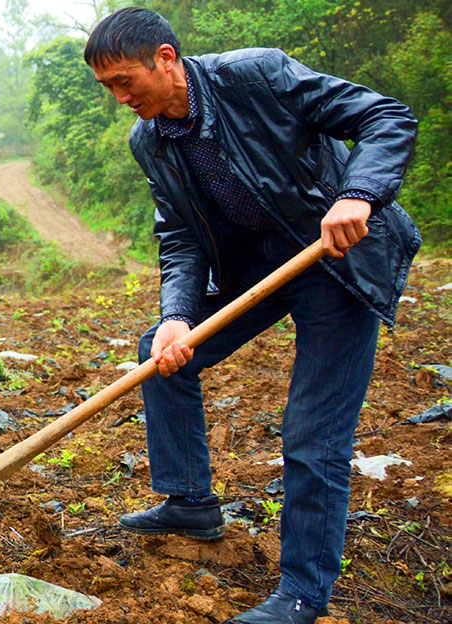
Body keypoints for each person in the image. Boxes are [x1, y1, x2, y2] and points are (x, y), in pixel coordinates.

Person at [85, 8, 420, 624]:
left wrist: (359, 193)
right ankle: (190, 502)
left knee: (312, 433)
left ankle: (302, 592)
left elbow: (385, 115)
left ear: (165, 58)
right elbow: (181, 236)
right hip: (255, 271)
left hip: (333, 260)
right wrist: (177, 315)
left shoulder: (256, 77)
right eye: (107, 87)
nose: (118, 97)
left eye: (124, 80)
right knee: (158, 355)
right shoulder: (150, 139)